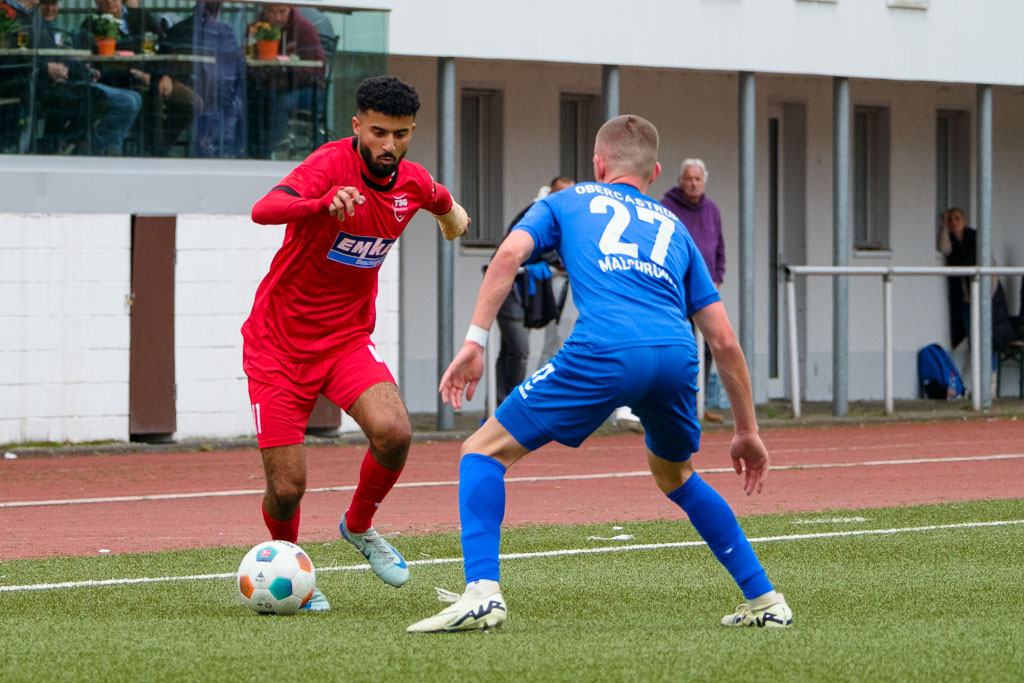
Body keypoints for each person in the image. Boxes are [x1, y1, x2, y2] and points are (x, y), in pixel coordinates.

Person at [407, 114, 792, 633]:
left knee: (482, 451)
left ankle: (482, 593)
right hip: (677, 354)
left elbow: (508, 256)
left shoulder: (566, 200)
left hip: (607, 347)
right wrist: (747, 431)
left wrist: (475, 341)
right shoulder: (674, 227)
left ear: (597, 164)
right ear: (655, 171)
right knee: (676, 476)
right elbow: (723, 339)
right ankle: (765, 598)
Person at [244, 76, 470, 612]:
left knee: (395, 432)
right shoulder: (328, 166)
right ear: (356, 127)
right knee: (289, 486)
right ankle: (292, 568)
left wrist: (454, 220)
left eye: (400, 134)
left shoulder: (411, 182)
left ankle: (360, 526)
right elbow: (263, 210)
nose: (388, 145)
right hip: (277, 345)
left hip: (346, 340)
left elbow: (443, 203)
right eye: (377, 132)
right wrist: (318, 204)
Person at [494, 176, 574, 404]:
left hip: (532, 290)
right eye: (560, 196)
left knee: (513, 350)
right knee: (518, 349)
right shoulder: (537, 213)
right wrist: (557, 260)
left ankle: (502, 406)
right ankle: (506, 406)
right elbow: (518, 245)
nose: (564, 202)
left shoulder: (565, 219)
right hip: (509, 286)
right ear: (550, 193)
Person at [661, 157, 727, 423]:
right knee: (682, 347)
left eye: (698, 179)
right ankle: (678, 405)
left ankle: (700, 403)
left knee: (710, 347)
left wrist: (718, 276)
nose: (693, 183)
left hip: (705, 292)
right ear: (680, 181)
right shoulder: (667, 207)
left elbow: (720, 248)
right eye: (688, 178)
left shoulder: (712, 209)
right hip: (677, 292)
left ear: (704, 181)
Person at [162, 1, 245, 157]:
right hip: (199, 90)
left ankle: (211, 146)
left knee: (234, 103)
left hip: (216, 91)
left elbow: (236, 64)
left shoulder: (224, 32)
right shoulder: (183, 31)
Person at [246, 3, 325, 158]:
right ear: (264, 10)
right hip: (267, 86)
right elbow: (246, 58)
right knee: (250, 100)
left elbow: (319, 68)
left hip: (304, 88)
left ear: (290, 10)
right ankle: (252, 151)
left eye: (282, 12)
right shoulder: (255, 28)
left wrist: (288, 71)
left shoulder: (304, 29)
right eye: (272, 12)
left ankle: (272, 149)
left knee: (278, 103)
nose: (278, 17)